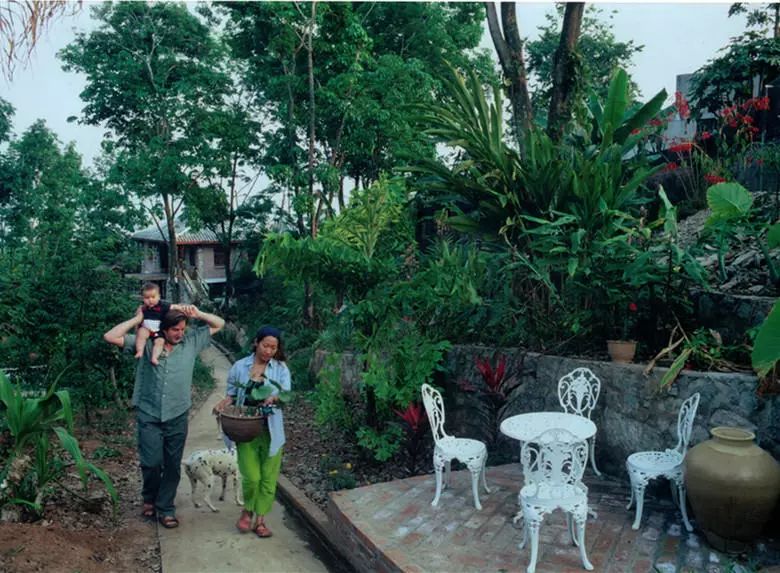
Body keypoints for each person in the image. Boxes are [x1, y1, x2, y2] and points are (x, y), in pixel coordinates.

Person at [103, 304, 224, 529]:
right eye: (175, 330)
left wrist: (197, 314)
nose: (180, 333)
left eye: (182, 329)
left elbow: (219, 324)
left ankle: (165, 507)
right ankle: (149, 496)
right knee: (151, 462)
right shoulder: (147, 344)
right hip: (149, 413)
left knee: (171, 465)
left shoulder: (191, 342)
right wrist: (137, 318)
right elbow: (111, 336)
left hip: (177, 414)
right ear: (163, 329)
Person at [213, 326, 291, 538]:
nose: (269, 351)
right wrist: (223, 402)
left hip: (272, 430)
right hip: (246, 429)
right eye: (265, 345)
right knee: (252, 477)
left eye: (273, 348)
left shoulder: (280, 369)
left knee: (268, 478)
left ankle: (260, 519)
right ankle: (247, 508)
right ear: (256, 342)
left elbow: (286, 393)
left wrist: (274, 398)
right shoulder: (240, 366)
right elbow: (231, 393)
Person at [133, 282, 185, 365]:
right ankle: (140, 351)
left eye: (153, 297)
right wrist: (136, 326)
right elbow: (137, 321)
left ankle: (154, 357)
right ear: (143, 298)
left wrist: (183, 308)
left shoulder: (162, 306)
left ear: (159, 297)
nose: (150, 300)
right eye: (147, 298)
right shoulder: (142, 308)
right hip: (146, 329)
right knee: (141, 334)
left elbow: (174, 306)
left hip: (158, 331)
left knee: (160, 342)